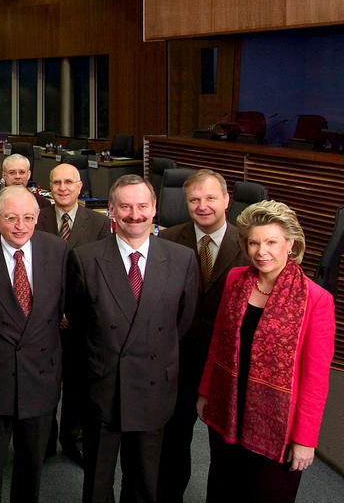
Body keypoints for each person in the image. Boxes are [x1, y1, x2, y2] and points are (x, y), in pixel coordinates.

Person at [66, 174, 197, 503]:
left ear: (154, 208)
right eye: (125, 206)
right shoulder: (85, 258)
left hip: (154, 387)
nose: (134, 214)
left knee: (144, 480)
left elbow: (181, 322)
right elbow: (80, 321)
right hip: (103, 385)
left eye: (142, 206)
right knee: (97, 479)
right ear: (111, 210)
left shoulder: (182, 259)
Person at [198, 200, 335, 503]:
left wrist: (305, 440)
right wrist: (206, 393)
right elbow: (219, 341)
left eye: (272, 242)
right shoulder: (236, 279)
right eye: (254, 243)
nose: (262, 251)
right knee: (223, 490)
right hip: (228, 408)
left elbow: (315, 381)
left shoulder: (316, 300)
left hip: (278, 427)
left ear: (290, 244)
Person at [0, 186, 69, 503]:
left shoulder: (57, 251)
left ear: (37, 218)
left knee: (31, 466)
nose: (20, 226)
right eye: (11, 218)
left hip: (40, 378)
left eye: (28, 218)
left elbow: (61, 307)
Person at [156, 169, 247, 502]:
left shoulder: (249, 243)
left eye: (210, 198)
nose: (202, 206)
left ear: (226, 200)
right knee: (172, 443)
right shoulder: (166, 239)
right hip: (178, 362)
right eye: (194, 199)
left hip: (226, 366)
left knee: (223, 450)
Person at [36, 162, 112, 466]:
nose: (63, 188)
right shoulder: (35, 219)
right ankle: (45, 439)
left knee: (78, 384)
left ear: (80, 187)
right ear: (49, 187)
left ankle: (72, 437)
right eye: (57, 182)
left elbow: (100, 275)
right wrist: (55, 311)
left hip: (82, 320)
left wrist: (73, 313)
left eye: (69, 182)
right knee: (44, 383)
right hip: (42, 318)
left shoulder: (98, 224)